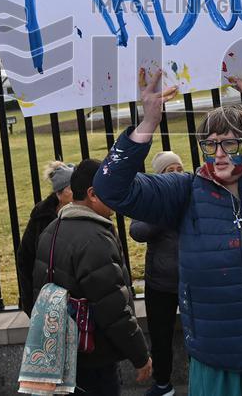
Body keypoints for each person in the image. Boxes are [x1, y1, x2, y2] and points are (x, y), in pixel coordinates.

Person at [95, 71, 242, 396]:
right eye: (210, 145)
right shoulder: (185, 193)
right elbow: (111, 187)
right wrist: (147, 122)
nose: (219, 154)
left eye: (230, 143)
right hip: (220, 364)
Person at [33, 159, 153, 396]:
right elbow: (113, 308)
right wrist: (140, 356)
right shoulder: (95, 238)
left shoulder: (52, 229)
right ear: (93, 194)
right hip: (94, 356)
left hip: (63, 352)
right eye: (112, 190)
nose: (118, 198)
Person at [128, 152, 183, 396]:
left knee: (201, 333)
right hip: (160, 282)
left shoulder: (191, 193)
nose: (175, 174)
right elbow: (137, 231)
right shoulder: (152, 200)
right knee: (160, 337)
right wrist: (164, 212)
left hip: (192, 278)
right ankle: (163, 383)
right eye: (168, 170)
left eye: (178, 168)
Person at [16, 161, 75, 315]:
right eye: (71, 188)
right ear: (59, 194)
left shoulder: (82, 212)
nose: (76, 191)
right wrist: (30, 302)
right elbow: (25, 258)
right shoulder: (40, 217)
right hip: (48, 300)